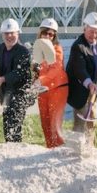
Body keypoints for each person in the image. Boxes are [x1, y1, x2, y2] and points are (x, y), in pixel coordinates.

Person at [66, 12, 97, 144]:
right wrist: (89, 84)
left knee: (92, 120)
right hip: (81, 91)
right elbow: (80, 70)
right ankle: (77, 149)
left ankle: (91, 148)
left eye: (96, 32)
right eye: (91, 31)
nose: (93, 35)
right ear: (84, 28)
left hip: (95, 90)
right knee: (81, 122)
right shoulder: (78, 46)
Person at [0, 18, 31, 143]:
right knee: (6, 124)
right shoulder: (0, 49)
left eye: (12, 33)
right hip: (5, 94)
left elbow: (19, 73)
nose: (9, 36)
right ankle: (9, 148)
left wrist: (3, 79)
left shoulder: (23, 51)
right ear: (2, 35)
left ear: (18, 33)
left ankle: (16, 150)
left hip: (19, 94)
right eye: (6, 33)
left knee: (15, 125)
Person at [34, 17, 68, 148]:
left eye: (51, 34)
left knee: (55, 124)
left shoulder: (57, 49)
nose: (48, 36)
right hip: (43, 91)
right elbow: (36, 70)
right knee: (45, 123)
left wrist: (39, 81)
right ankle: (50, 149)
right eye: (45, 33)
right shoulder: (38, 48)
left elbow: (55, 69)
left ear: (54, 36)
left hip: (58, 89)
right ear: (40, 33)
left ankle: (59, 149)